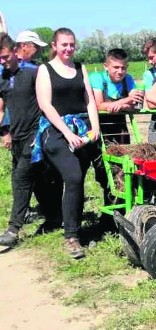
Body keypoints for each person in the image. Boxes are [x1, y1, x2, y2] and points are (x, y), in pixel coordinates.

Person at [33, 28, 101, 259]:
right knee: (72, 176)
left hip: (82, 130)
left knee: (79, 179)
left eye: (72, 44)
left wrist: (95, 128)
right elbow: (46, 104)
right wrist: (66, 132)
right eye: (64, 44)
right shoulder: (46, 70)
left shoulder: (80, 67)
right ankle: (71, 237)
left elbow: (89, 99)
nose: (68, 48)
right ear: (54, 46)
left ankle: (78, 228)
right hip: (56, 132)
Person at [0, 34, 61, 247]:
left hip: (34, 135)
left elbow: (48, 101)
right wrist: (4, 132)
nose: (3, 61)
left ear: (16, 51)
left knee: (21, 179)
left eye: (6, 56)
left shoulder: (33, 73)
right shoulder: (3, 78)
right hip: (16, 137)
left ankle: (13, 229)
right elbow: (2, 107)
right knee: (40, 180)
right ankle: (54, 217)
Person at [90, 48, 141, 144]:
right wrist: (128, 100)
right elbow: (99, 105)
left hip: (121, 129)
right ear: (106, 66)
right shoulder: (97, 77)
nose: (120, 71)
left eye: (123, 68)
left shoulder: (128, 79)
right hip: (100, 129)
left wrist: (122, 106)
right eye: (116, 67)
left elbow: (136, 105)